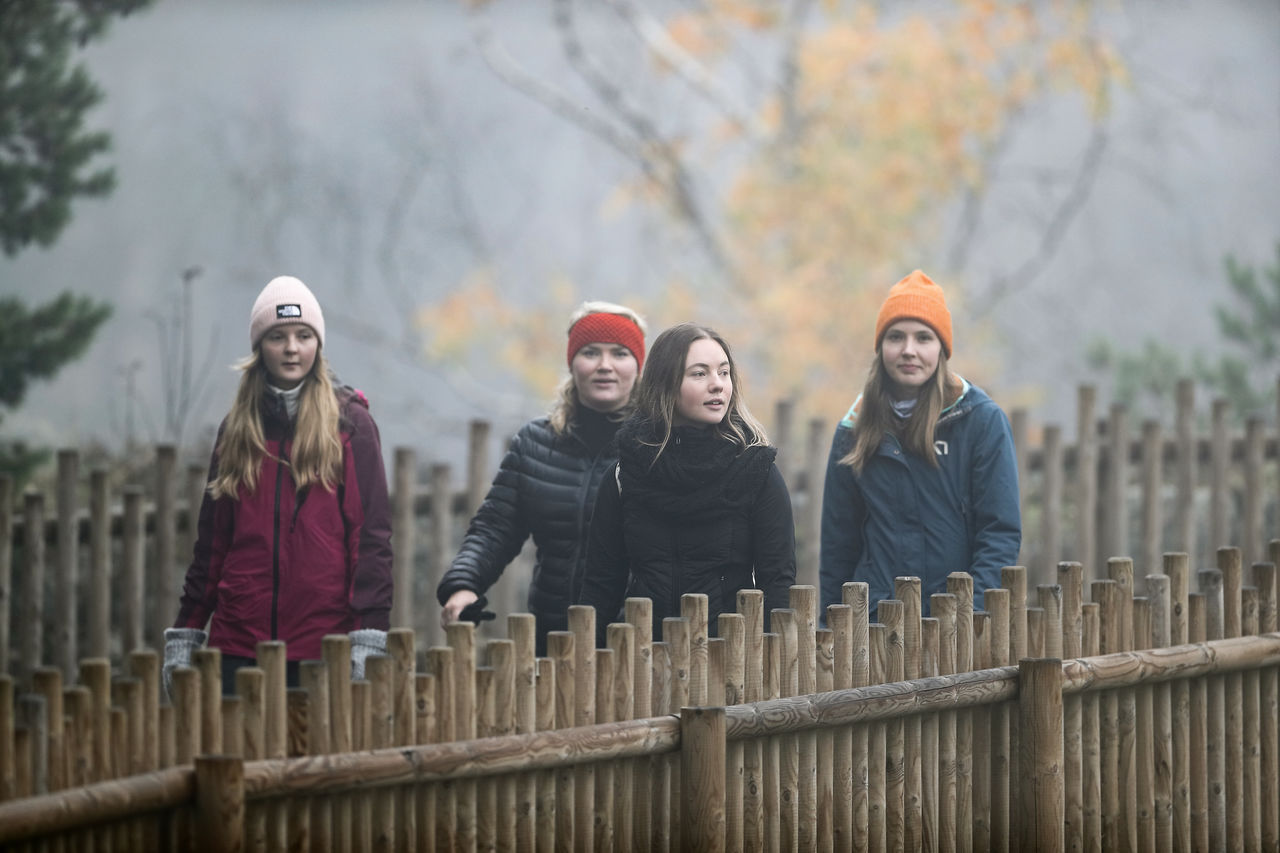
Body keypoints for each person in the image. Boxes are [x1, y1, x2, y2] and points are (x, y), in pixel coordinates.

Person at [164, 275, 393, 697]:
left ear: (318, 345)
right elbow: (211, 548)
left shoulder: (350, 425)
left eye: (304, 335)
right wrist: (187, 631)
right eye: (278, 336)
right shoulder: (236, 430)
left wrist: (369, 634)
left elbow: (371, 540)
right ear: (259, 347)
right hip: (237, 646)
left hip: (322, 646)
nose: (291, 348)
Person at [436, 301, 647, 656]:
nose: (605, 366)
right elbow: (494, 528)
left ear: (639, 367)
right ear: (572, 363)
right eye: (590, 352)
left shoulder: (659, 447)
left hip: (636, 648)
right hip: (552, 646)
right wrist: (463, 585)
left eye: (620, 353)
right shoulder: (535, 444)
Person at [578, 323, 796, 645]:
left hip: (730, 661)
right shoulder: (626, 475)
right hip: (641, 660)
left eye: (724, 373)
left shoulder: (754, 470)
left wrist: (769, 668)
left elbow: (778, 583)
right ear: (665, 384)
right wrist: (588, 668)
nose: (717, 385)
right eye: (699, 374)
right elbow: (600, 585)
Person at [819, 270, 1020, 617]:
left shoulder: (980, 421)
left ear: (942, 348)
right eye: (896, 337)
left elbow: (999, 535)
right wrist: (830, 629)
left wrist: (969, 615)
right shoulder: (854, 429)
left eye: (924, 337)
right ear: (881, 346)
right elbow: (838, 547)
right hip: (875, 626)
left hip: (955, 624)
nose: (908, 350)